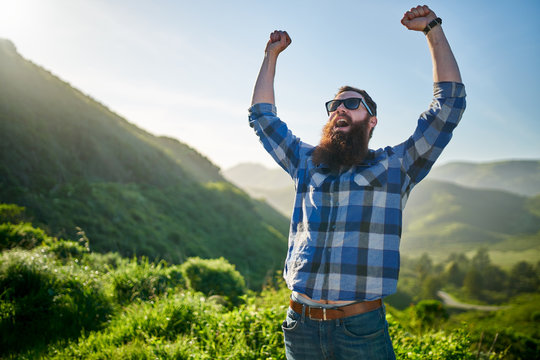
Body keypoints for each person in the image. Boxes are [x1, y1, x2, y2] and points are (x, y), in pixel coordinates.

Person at [248, 5, 466, 359]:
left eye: (352, 103)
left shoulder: (396, 166)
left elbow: (449, 107)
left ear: (372, 120)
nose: (340, 109)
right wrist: (270, 56)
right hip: (299, 327)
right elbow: (262, 118)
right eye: (334, 104)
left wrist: (432, 29)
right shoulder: (306, 163)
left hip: (360, 332)